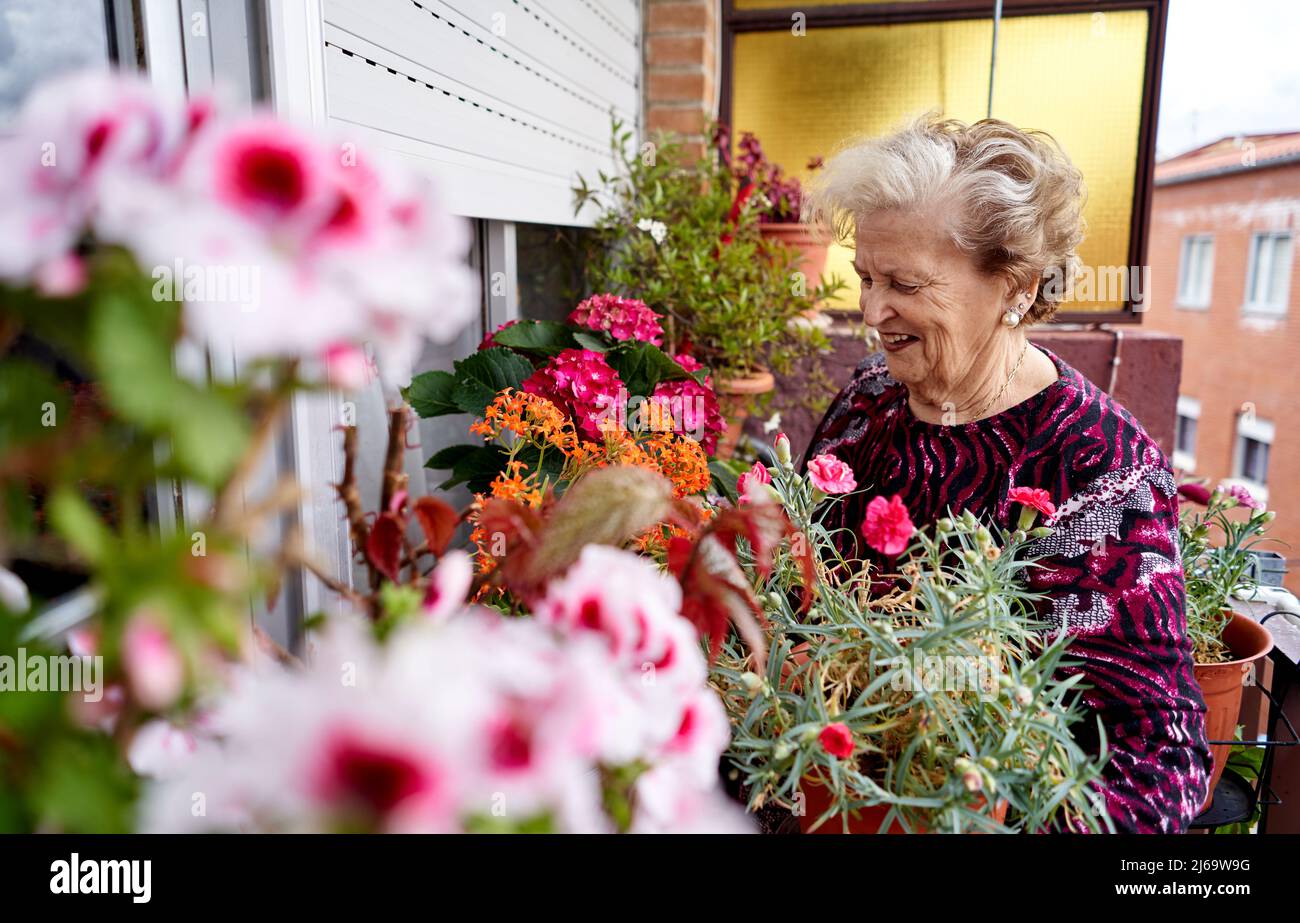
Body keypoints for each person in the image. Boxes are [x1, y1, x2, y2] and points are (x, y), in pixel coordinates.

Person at [800, 115, 1212, 833]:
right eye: (865, 277)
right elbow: (794, 596)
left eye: (903, 282)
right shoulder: (865, 403)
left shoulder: (1101, 466)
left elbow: (1162, 758)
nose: (870, 310)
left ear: (1014, 285)